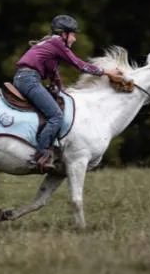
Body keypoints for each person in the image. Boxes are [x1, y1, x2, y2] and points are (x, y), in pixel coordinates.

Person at [13, 14, 124, 172]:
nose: (74, 39)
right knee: (56, 115)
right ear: (63, 34)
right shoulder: (57, 43)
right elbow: (80, 65)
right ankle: (42, 155)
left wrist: (63, 90)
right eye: (73, 34)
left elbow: (53, 73)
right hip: (29, 79)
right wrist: (107, 72)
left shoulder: (49, 44)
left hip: (25, 78)